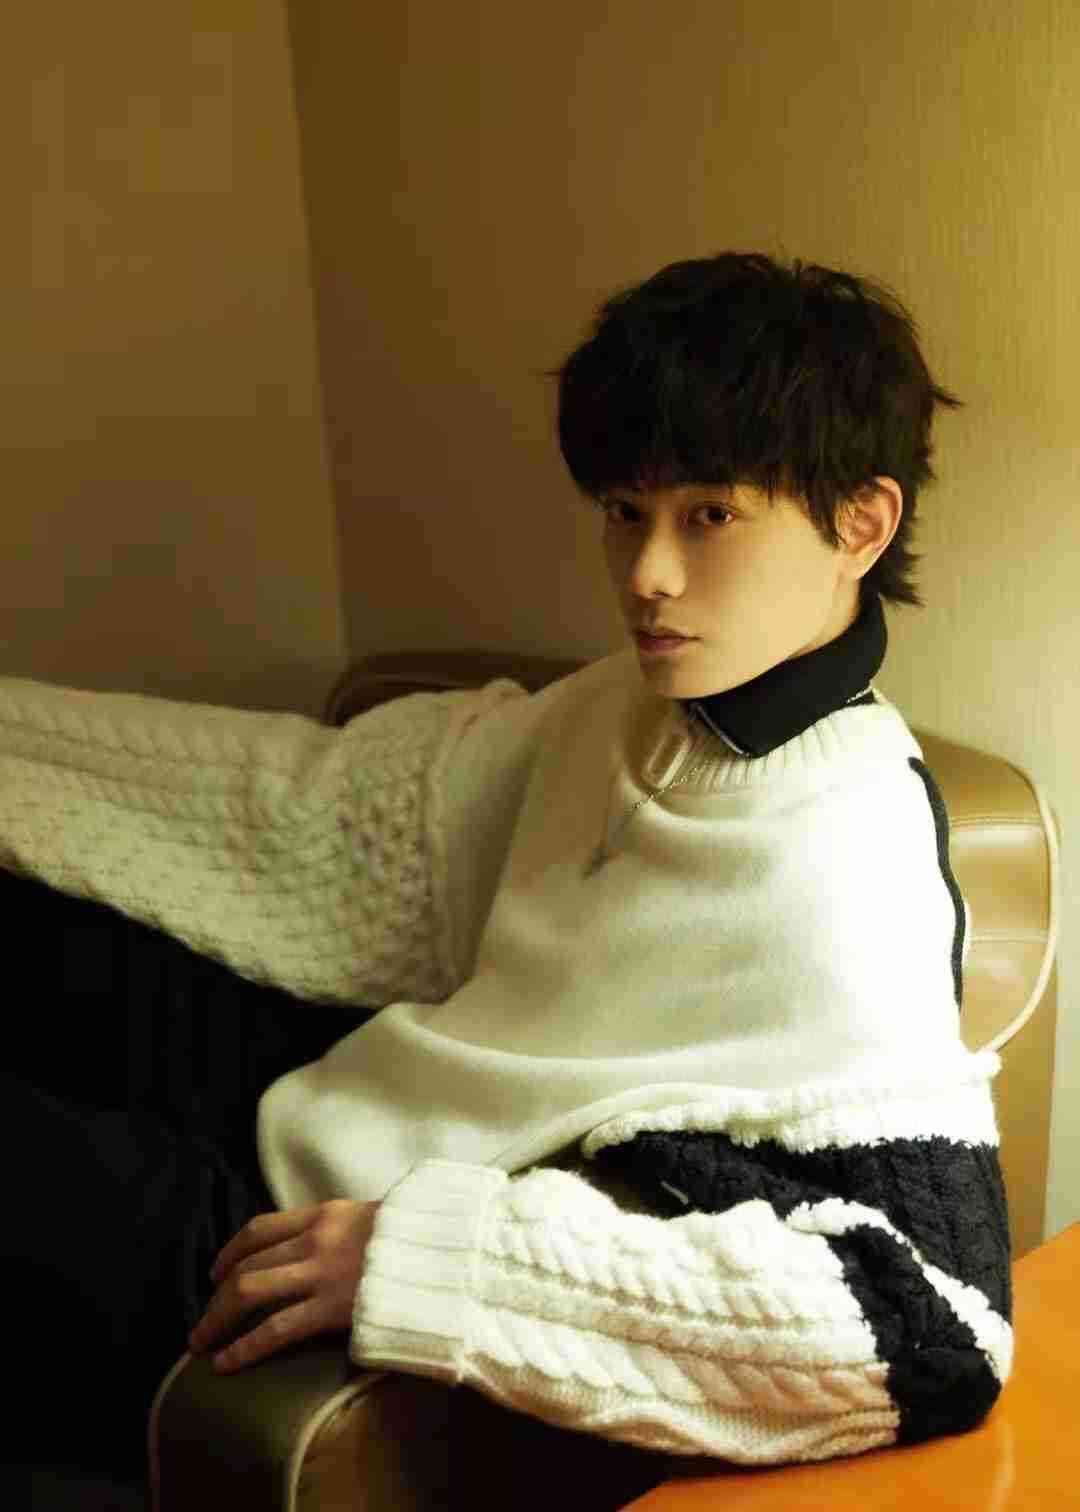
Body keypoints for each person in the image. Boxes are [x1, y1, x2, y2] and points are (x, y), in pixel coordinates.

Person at [1, 252, 1011, 1496]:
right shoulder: (634, 701)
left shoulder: (852, 855)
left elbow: (941, 1323)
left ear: (861, 524)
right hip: (315, 1083)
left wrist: (440, 1260)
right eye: (626, 512)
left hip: (282, 1232)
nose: (646, 575)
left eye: (709, 517)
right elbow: (338, 795)